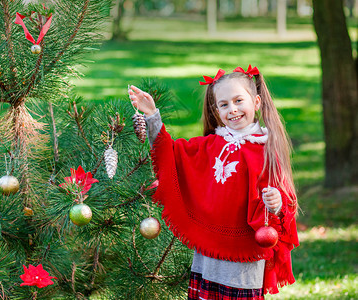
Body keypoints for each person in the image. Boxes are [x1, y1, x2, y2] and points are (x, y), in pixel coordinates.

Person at [128, 65, 299, 299]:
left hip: (243, 257)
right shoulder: (210, 145)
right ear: (216, 110)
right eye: (224, 104)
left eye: (239, 100)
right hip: (208, 253)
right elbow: (171, 155)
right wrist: (151, 115)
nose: (233, 110)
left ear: (256, 102)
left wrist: (276, 203)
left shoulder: (266, 149)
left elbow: (284, 203)